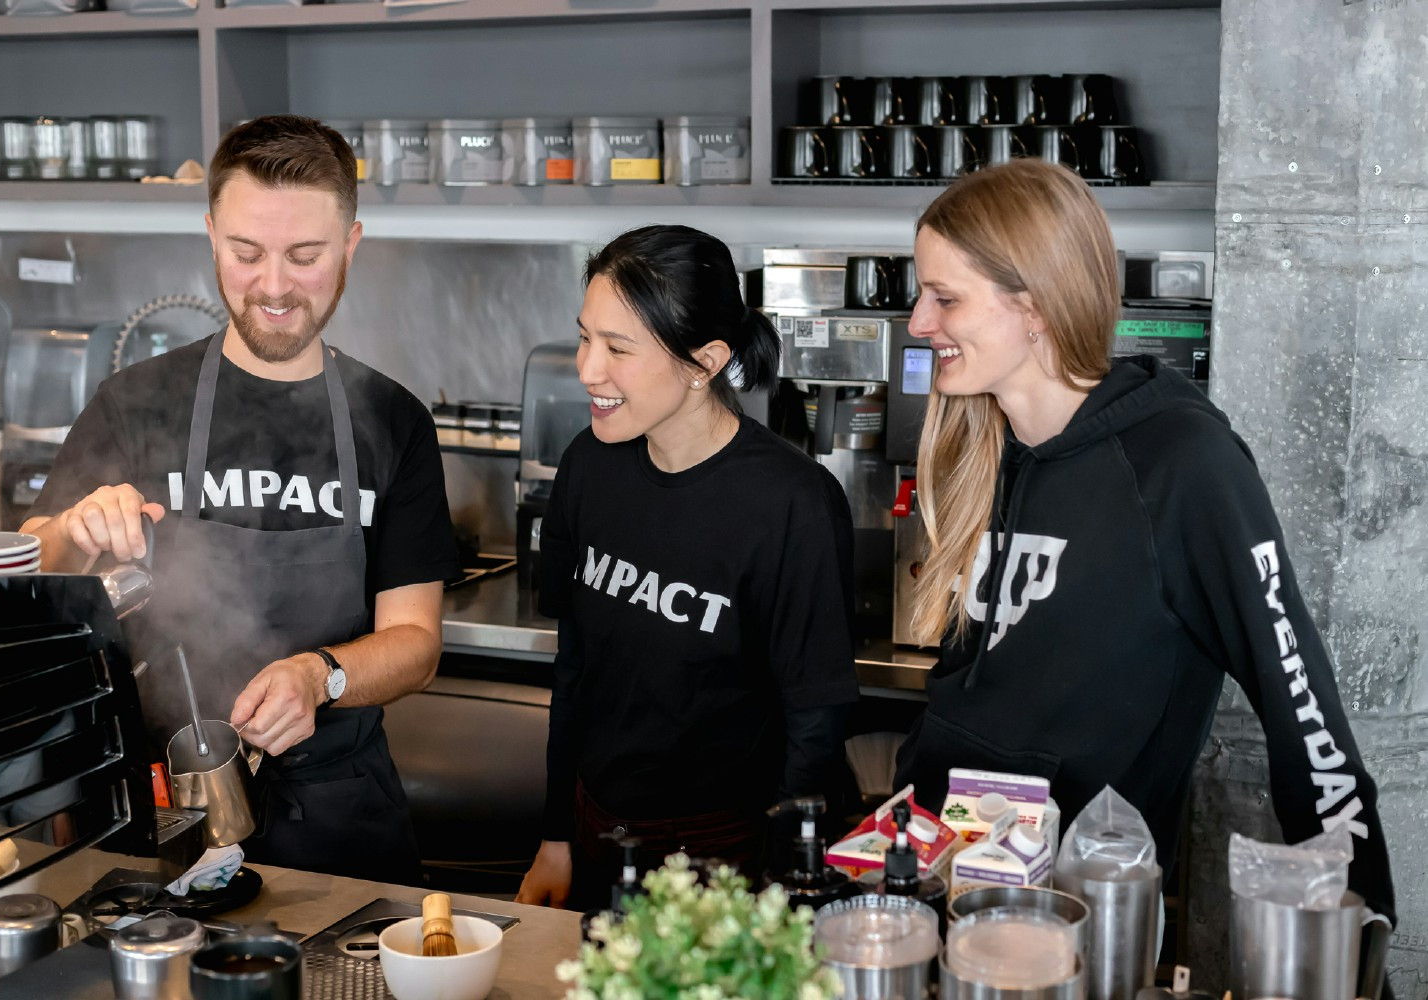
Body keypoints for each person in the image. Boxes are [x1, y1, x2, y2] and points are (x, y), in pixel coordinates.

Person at [892, 159, 1396, 928]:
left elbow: (1301, 709)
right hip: (941, 875)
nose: (919, 323)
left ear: (1033, 305)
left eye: (945, 297)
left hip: (1083, 910)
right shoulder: (977, 443)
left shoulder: (1181, 463)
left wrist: (1361, 932)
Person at [21, 116, 459, 886]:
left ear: (351, 244)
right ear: (211, 235)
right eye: (246, 252)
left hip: (338, 823)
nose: (275, 286)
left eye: (306, 256)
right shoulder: (137, 401)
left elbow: (416, 641)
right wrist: (73, 529)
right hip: (158, 814)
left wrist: (320, 675)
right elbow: (37, 565)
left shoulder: (393, 422)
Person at [514, 225, 860, 911]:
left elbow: (814, 721)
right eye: (586, 337)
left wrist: (779, 891)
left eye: (618, 348)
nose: (587, 369)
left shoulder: (791, 503)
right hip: (596, 830)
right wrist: (556, 835)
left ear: (705, 362)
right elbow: (576, 666)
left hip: (722, 852)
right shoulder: (589, 464)